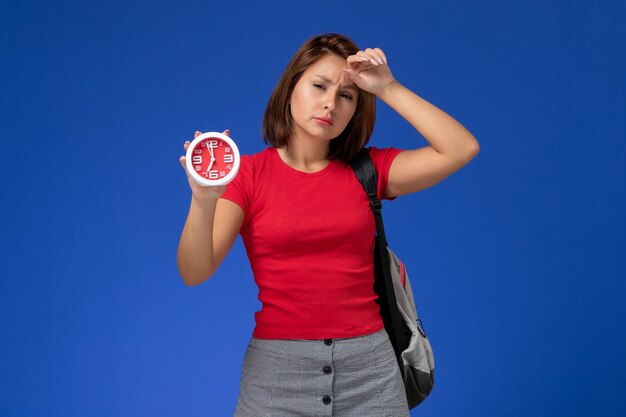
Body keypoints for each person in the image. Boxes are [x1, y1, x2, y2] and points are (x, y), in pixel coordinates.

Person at [177, 33, 479, 417]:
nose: (329, 103)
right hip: (277, 374)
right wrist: (203, 200)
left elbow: (461, 148)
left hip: (371, 372)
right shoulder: (248, 175)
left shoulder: (369, 170)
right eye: (319, 85)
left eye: (346, 95)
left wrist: (387, 87)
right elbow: (194, 270)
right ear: (290, 89)